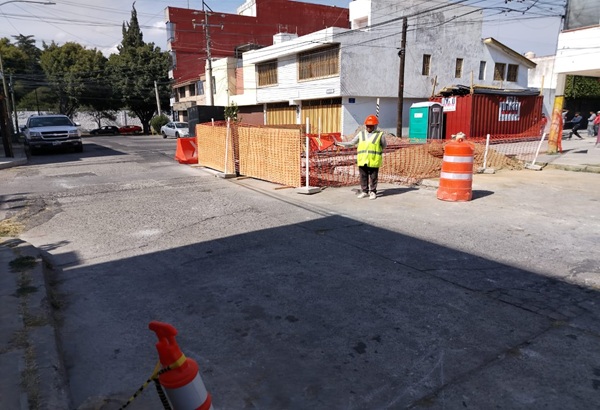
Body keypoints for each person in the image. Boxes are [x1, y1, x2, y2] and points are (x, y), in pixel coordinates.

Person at [336, 114, 387, 200]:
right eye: (367, 126)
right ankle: (364, 191)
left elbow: (384, 145)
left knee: (373, 177)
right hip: (362, 159)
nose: (368, 127)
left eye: (371, 126)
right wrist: (339, 143)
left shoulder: (380, 135)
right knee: (363, 176)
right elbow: (352, 143)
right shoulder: (361, 134)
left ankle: (373, 192)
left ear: (375, 126)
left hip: (374, 159)